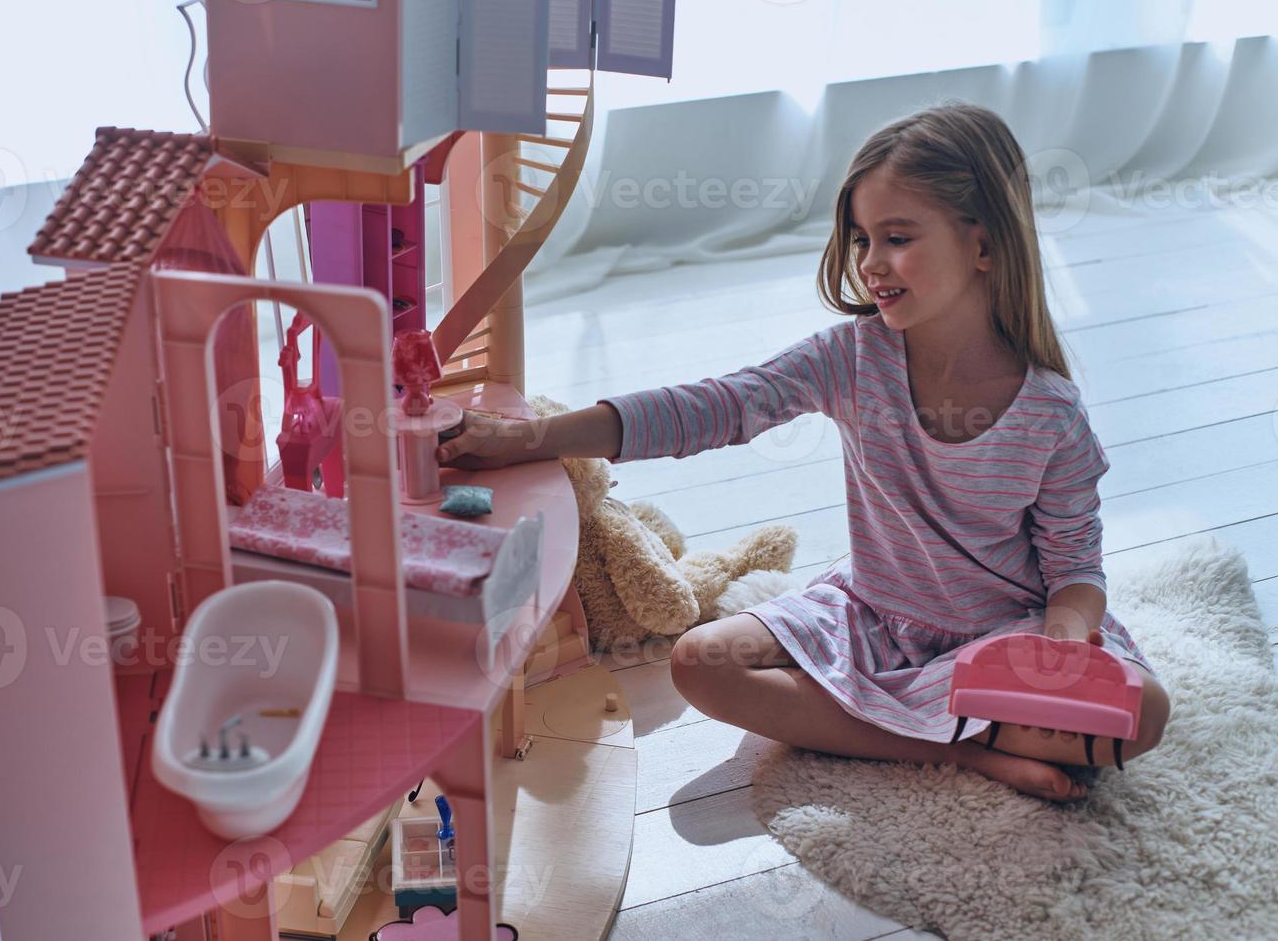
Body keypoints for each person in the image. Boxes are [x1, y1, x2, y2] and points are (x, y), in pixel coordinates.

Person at [434, 101, 1171, 804]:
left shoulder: (1050, 414)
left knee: (1145, 713)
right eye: (860, 240)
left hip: (1004, 635)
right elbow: (715, 406)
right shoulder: (850, 358)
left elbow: (1074, 571)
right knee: (699, 663)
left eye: (898, 237)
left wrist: (1063, 647)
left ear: (982, 243)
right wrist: (530, 438)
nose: (870, 263)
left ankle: (925, 721)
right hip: (873, 614)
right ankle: (959, 751)